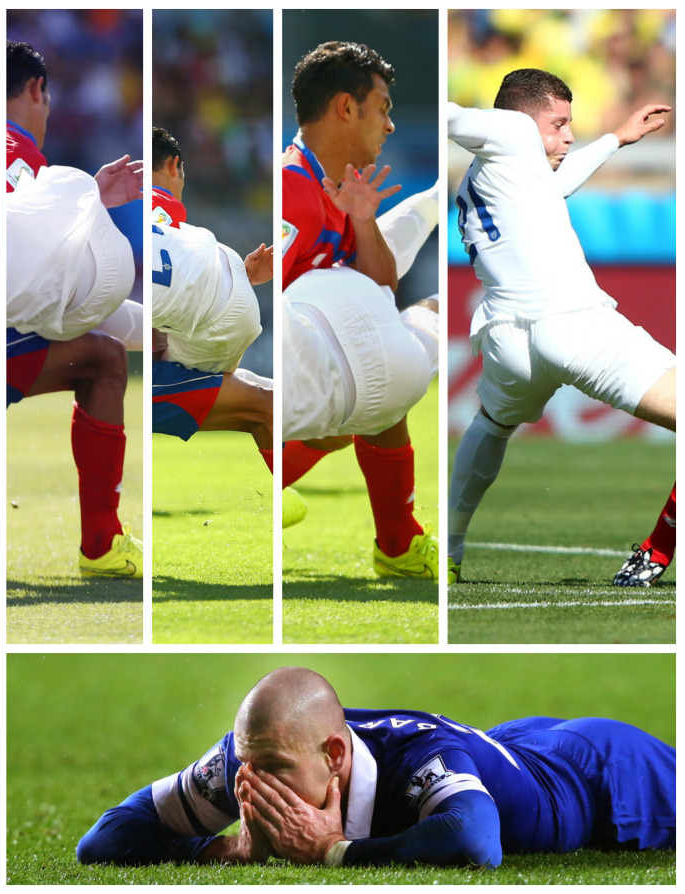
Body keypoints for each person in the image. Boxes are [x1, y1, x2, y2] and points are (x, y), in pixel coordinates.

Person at [76, 666, 675, 868]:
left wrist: (335, 850)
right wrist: (224, 850)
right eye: (249, 767)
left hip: (605, 779)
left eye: (275, 769)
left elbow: (474, 842)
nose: (253, 786)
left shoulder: (418, 758)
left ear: (334, 756)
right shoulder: (255, 750)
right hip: (510, 748)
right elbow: (102, 840)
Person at [446, 68, 676, 586]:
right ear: (521, 120)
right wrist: (383, 101)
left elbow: (556, 187)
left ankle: (450, 550)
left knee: (490, 424)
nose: (569, 135)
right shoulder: (512, 132)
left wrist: (616, 138)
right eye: (559, 123)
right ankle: (656, 553)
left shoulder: (486, 177)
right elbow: (456, 118)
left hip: (508, 341)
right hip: (572, 324)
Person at [280, 41, 438, 579]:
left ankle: (397, 544)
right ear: (347, 108)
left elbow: (380, 289)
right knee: (391, 363)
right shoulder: (290, 189)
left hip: (309, 368)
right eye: (384, 107)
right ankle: (396, 544)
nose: (390, 126)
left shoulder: (338, 189)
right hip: (275, 370)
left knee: (379, 376)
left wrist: (366, 222)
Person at [5, 39, 143, 578]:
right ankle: (102, 545)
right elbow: (49, 286)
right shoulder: (20, 154)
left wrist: (92, 205)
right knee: (106, 360)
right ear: (38, 90)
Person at [149, 127, 275, 482]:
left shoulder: (129, 214)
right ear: (174, 166)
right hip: (131, 380)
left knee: (271, 402)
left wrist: (239, 280)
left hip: (136, 371)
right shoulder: (159, 210)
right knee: (269, 406)